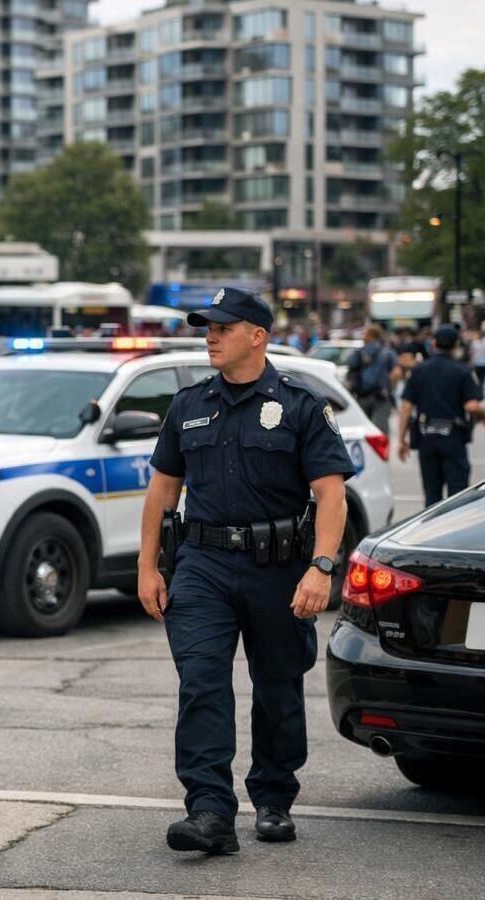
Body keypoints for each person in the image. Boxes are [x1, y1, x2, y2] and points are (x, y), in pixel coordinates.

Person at [137, 286, 354, 855]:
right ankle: (209, 811)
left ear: (257, 336)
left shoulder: (301, 405)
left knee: (277, 686)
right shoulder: (188, 405)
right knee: (202, 684)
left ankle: (275, 795)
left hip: (278, 568)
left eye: (222, 327)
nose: (210, 335)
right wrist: (148, 567)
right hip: (202, 564)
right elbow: (162, 491)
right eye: (207, 327)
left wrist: (321, 568)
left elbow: (331, 497)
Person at [398, 324, 482, 506]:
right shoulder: (463, 371)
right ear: (456, 345)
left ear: (433, 343)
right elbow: (472, 406)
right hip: (453, 437)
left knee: (431, 496)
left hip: (426, 437)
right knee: (458, 497)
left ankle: (431, 532)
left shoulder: (419, 371)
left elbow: (405, 408)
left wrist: (401, 440)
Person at [352, 324, 398, 438]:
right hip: (381, 396)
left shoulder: (359, 353)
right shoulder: (387, 352)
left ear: (371, 335)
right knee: (380, 433)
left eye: (365, 334)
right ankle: (381, 455)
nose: (363, 336)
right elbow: (396, 373)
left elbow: (352, 369)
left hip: (362, 395)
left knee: (362, 432)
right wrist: (389, 389)